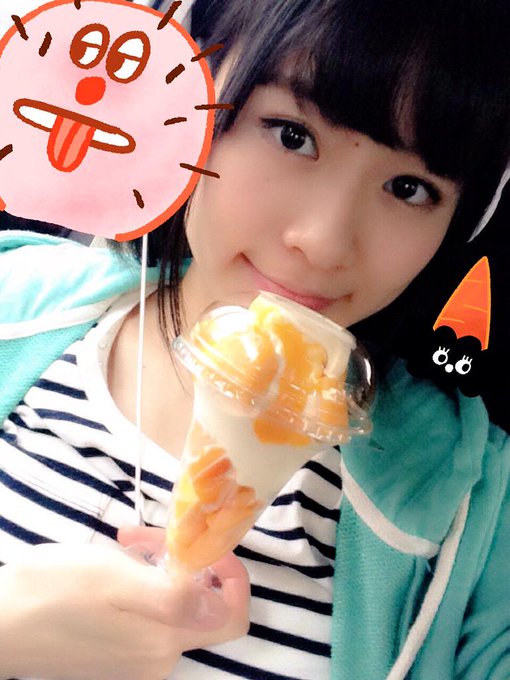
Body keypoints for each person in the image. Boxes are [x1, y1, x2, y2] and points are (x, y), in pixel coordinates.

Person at [1, 0, 510, 678]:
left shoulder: (472, 506)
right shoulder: (13, 306)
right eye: (292, 135)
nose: (323, 243)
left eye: (410, 188)